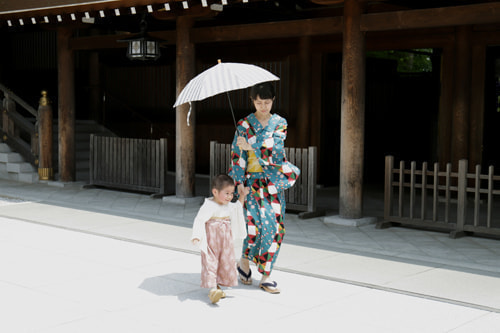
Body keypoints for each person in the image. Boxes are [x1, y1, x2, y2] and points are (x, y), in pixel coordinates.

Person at [229, 81, 299, 294]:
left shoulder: (280, 122)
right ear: (252, 101)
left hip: (272, 183)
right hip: (251, 183)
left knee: (274, 227)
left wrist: (251, 145)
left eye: (267, 102)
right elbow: (236, 155)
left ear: (273, 100)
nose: (263, 106)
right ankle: (244, 262)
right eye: (259, 102)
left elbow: (276, 149)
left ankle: (266, 274)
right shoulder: (243, 124)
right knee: (253, 227)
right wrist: (239, 183)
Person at [191, 174, 249, 304]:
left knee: (226, 261)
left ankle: (218, 285)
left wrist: (242, 196)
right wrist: (196, 235)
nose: (229, 196)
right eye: (226, 193)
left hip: (225, 238)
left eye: (231, 194)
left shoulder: (228, 205)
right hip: (212, 238)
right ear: (215, 192)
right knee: (210, 261)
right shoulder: (208, 205)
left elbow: (237, 208)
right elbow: (199, 220)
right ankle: (212, 289)